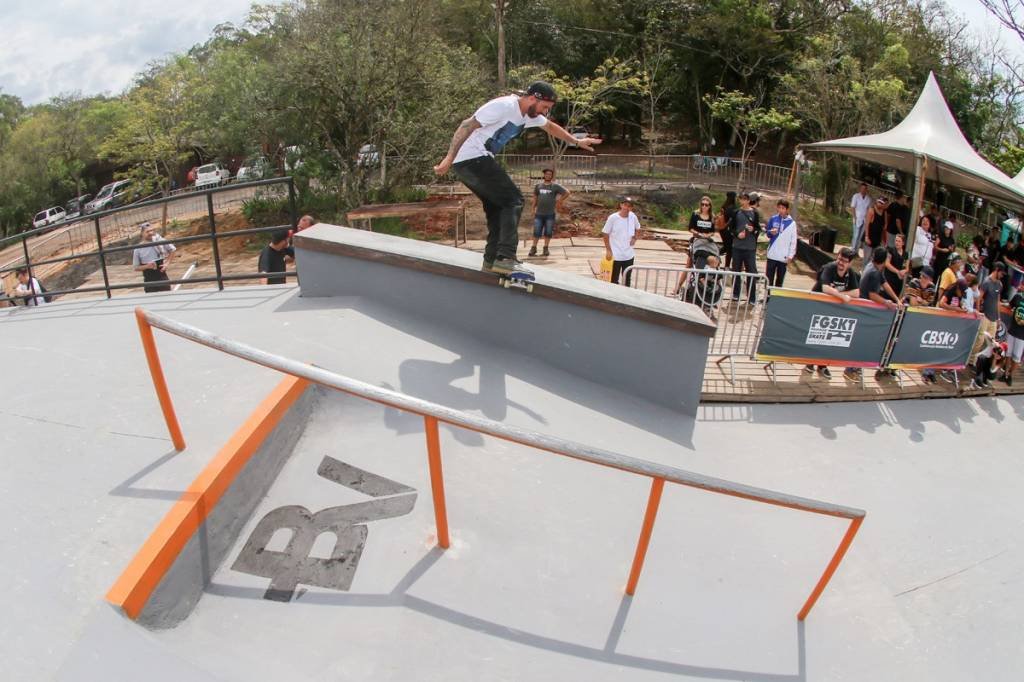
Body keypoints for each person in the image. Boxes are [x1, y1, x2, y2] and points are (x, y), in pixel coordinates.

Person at [433, 81, 602, 276]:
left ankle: (491, 261)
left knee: (498, 208)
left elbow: (551, 127)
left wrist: (576, 141)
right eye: (544, 107)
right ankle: (506, 258)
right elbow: (466, 125)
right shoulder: (504, 106)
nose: (544, 113)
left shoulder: (531, 116)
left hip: (469, 164)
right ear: (532, 98)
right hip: (472, 158)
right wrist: (449, 157)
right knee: (514, 200)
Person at [804, 247, 860, 379]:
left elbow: (856, 293)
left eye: (844, 261)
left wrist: (839, 294)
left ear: (850, 263)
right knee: (815, 335)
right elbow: (825, 288)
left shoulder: (850, 273)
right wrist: (842, 297)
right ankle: (809, 362)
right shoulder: (829, 267)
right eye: (839, 259)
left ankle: (822, 365)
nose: (840, 263)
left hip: (832, 310)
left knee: (828, 337)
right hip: (818, 305)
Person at [528, 168, 569, 257]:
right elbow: (535, 198)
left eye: (550, 174)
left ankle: (545, 248)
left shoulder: (555, 186)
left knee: (548, 231)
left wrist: (559, 201)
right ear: (544, 175)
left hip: (550, 214)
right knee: (537, 231)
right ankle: (533, 248)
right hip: (539, 213)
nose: (548, 176)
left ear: (552, 176)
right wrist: (532, 209)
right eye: (547, 174)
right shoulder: (538, 186)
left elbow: (567, 192)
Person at [729, 191, 761, 304]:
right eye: (740, 199)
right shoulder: (736, 212)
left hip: (750, 248)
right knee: (736, 270)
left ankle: (751, 297)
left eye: (744, 199)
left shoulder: (755, 213)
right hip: (737, 246)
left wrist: (753, 230)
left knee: (751, 272)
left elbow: (758, 229)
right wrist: (737, 234)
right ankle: (736, 293)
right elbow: (731, 228)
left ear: (748, 200)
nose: (742, 201)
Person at [602, 197, 640, 286]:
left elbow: (638, 228)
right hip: (616, 254)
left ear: (631, 208)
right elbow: (605, 233)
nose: (626, 208)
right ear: (621, 205)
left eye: (629, 206)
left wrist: (635, 238)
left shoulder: (633, 217)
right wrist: (608, 250)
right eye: (625, 205)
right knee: (613, 279)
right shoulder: (613, 218)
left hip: (628, 254)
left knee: (627, 279)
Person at [971, 262, 1006, 360]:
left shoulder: (1000, 284)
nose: (1002, 276)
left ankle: (982, 361)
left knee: (991, 343)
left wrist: (999, 318)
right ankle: (971, 360)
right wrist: (978, 312)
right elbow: (979, 297)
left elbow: (998, 301)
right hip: (985, 315)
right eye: (1001, 273)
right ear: (997, 270)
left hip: (994, 318)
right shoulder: (986, 282)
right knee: (980, 340)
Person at [132, 222, 176, 293]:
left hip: (162, 277)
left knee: (167, 298)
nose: (151, 233)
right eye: (147, 231)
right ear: (142, 234)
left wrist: (167, 263)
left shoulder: (159, 240)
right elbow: (136, 267)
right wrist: (147, 266)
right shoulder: (138, 249)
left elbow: (172, 249)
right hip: (149, 279)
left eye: (152, 230)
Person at [764, 199, 797, 287]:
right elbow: (767, 233)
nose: (781, 210)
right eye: (779, 208)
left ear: (787, 209)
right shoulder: (773, 219)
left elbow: (793, 241)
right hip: (772, 255)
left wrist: (790, 255)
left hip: (783, 257)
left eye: (783, 208)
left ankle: (775, 299)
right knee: (768, 279)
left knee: (779, 280)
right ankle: (767, 298)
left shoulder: (792, 223)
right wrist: (771, 232)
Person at [1001, 287, 1024, 386]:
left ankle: (1010, 375)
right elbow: (1010, 307)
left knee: (1016, 358)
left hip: (1022, 335)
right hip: (1012, 330)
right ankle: (1005, 374)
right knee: (1008, 354)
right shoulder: (1018, 296)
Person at [687, 195, 716, 267]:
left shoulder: (712, 216)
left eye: (706, 205)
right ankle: (682, 278)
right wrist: (698, 233)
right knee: (688, 264)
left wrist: (708, 235)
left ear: (710, 206)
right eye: (702, 204)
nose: (704, 206)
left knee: (708, 258)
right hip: (697, 240)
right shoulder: (695, 214)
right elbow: (690, 228)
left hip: (707, 241)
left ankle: (705, 274)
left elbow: (712, 231)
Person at [884, 232, 909, 301]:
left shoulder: (905, 254)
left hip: (899, 280)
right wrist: (897, 272)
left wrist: (904, 271)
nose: (897, 243)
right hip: (889, 277)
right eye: (896, 240)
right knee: (887, 296)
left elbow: (907, 268)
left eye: (899, 241)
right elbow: (887, 264)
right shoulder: (891, 250)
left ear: (903, 243)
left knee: (895, 297)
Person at [849, 183, 872, 254]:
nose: (863, 190)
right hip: (857, 218)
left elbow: (868, 209)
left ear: (866, 190)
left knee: (860, 236)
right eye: (862, 188)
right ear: (860, 189)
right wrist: (854, 217)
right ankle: (852, 250)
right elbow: (852, 207)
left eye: (865, 189)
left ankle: (856, 251)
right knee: (856, 235)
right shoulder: (856, 196)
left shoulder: (868, 199)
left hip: (864, 219)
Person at [717, 191, 737, 268]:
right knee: (729, 249)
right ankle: (727, 266)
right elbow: (732, 219)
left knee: (726, 247)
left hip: (722, 229)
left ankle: (715, 255)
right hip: (728, 230)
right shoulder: (733, 208)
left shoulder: (724, 206)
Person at [864, 197, 887, 262]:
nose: (880, 204)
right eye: (879, 202)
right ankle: (863, 271)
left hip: (878, 239)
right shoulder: (871, 210)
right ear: (876, 202)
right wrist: (866, 236)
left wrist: (883, 239)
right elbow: (867, 224)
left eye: (882, 203)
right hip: (870, 237)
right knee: (867, 257)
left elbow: (884, 226)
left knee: (874, 258)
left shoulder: (884, 212)